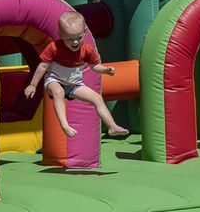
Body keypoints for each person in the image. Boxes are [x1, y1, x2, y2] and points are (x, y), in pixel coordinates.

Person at [24, 11, 130, 139]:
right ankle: (64, 124)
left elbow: (94, 66)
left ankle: (112, 126)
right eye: (69, 39)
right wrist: (33, 85)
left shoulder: (87, 49)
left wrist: (106, 70)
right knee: (58, 92)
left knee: (97, 98)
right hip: (54, 80)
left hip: (74, 84)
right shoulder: (54, 48)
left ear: (84, 31)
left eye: (79, 37)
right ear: (60, 34)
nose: (75, 42)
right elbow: (43, 66)